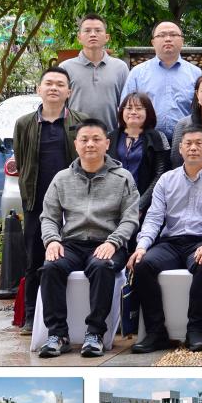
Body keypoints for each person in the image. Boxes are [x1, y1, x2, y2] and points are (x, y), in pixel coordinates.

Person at [126, 124, 202, 353]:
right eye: (188, 144)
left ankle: (195, 329)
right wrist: (142, 246)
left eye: (199, 143)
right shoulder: (166, 180)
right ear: (180, 148)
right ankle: (156, 332)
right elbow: (154, 218)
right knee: (143, 264)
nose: (193, 148)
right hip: (172, 242)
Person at [36, 119, 139, 358]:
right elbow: (49, 217)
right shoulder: (61, 178)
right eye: (84, 140)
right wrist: (52, 240)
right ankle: (58, 335)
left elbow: (130, 218)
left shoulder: (123, 178)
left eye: (96, 139)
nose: (90, 144)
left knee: (102, 266)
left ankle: (95, 334)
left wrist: (113, 242)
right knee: (51, 267)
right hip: (71, 243)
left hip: (107, 242)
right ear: (76, 144)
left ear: (107, 144)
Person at [13, 67, 87, 333]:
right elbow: (21, 160)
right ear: (39, 89)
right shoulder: (24, 124)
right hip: (36, 202)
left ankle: (73, 317)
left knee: (69, 256)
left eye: (60, 84)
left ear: (69, 91)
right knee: (34, 259)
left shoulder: (80, 122)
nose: (54, 88)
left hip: (74, 202)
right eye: (49, 83)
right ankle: (31, 316)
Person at [122, 21, 202, 138]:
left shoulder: (195, 73)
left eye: (173, 35)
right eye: (162, 35)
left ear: (182, 41)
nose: (168, 39)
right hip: (147, 140)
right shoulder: (137, 73)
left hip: (186, 140)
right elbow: (125, 109)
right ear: (153, 42)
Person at [107, 92, 171, 227]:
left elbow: (160, 175)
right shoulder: (110, 138)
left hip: (147, 205)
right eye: (129, 108)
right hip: (112, 205)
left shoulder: (158, 138)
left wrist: (140, 205)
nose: (133, 112)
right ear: (122, 111)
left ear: (148, 112)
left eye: (139, 108)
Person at [59, 13, 129, 130]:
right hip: (75, 136)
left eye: (98, 30)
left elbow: (126, 105)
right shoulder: (65, 68)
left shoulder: (120, 68)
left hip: (109, 136)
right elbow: (59, 106)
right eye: (87, 30)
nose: (93, 34)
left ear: (107, 37)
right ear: (79, 38)